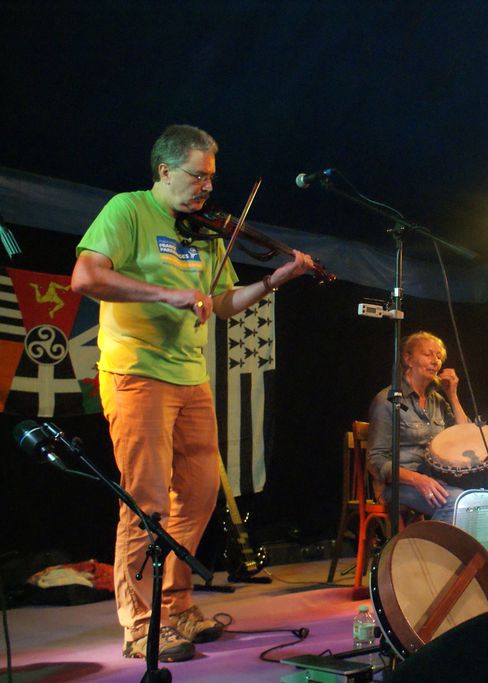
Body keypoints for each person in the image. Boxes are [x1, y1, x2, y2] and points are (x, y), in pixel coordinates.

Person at [71, 124, 315, 663]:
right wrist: (168, 293)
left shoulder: (202, 233)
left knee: (200, 495)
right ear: (164, 171)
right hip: (136, 373)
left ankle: (176, 607)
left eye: (211, 177)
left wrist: (277, 278)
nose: (207, 187)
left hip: (190, 378)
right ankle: (141, 624)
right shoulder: (128, 210)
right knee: (147, 504)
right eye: (198, 176)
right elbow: (85, 278)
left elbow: (222, 304)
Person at [366, 331, 488, 524]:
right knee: (458, 500)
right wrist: (419, 480)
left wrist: (453, 395)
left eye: (439, 357)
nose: (436, 361)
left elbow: (467, 436)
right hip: (402, 484)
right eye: (428, 355)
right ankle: (432, 551)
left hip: (436, 478)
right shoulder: (389, 400)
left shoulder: (438, 401)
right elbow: (375, 460)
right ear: (408, 359)